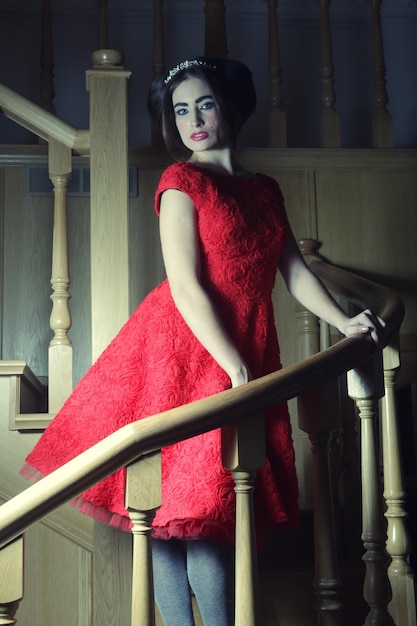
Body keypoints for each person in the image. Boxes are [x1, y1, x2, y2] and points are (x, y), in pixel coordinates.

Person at [22, 56, 384, 626]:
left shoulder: (264, 190)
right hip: (181, 353)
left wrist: (344, 324)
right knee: (178, 512)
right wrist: (234, 364)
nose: (193, 119)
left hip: (244, 346)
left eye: (205, 104)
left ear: (229, 109)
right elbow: (186, 286)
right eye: (180, 109)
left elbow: (295, 273)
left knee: (210, 513)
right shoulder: (180, 181)